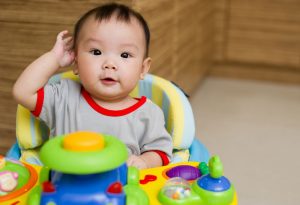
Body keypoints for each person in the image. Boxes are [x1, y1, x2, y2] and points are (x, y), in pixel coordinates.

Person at [13, 3, 172, 169]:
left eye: (125, 54)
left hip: (120, 190)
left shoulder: (147, 114)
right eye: (96, 52)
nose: (110, 64)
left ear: (143, 68)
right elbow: (22, 92)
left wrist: (144, 161)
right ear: (76, 62)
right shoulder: (64, 97)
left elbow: (161, 152)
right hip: (64, 188)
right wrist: (54, 58)